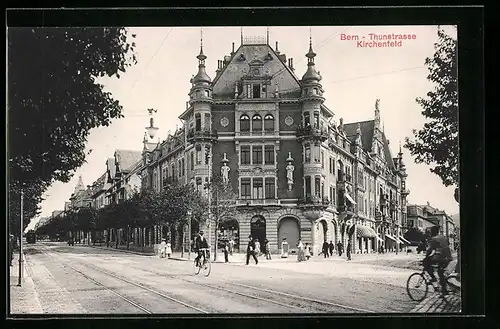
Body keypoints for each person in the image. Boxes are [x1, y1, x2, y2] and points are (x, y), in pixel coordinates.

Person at [423, 225, 453, 295]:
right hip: (448, 257)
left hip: (441, 257)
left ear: (433, 232)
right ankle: (443, 289)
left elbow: (430, 250)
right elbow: (447, 246)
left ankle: (434, 279)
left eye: (431, 232)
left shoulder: (434, 239)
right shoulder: (443, 237)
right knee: (440, 272)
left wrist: (426, 257)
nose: (430, 233)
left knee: (426, 263)